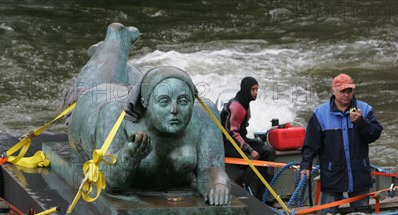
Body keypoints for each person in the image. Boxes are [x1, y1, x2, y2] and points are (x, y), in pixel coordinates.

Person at [68, 66, 232, 206]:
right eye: (163, 102)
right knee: (107, 62)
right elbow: (110, 182)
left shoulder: (203, 114)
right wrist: (128, 157)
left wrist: (217, 183)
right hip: (88, 109)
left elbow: (210, 167)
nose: (174, 110)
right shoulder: (114, 115)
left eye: (183, 101)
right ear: (145, 102)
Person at [300, 73, 383, 215]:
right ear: (334, 91)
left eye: (349, 91)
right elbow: (311, 143)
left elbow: (374, 134)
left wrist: (361, 122)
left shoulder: (365, 110)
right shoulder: (320, 113)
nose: (346, 94)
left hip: (359, 174)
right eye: (342, 91)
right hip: (333, 175)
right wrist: (306, 165)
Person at [221, 77, 276, 195]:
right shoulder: (237, 106)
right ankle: (238, 192)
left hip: (239, 140)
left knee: (268, 151)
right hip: (227, 143)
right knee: (250, 159)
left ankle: (263, 195)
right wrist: (250, 150)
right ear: (246, 90)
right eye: (253, 89)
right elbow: (232, 133)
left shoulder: (245, 102)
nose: (256, 92)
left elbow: (241, 132)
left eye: (257, 89)